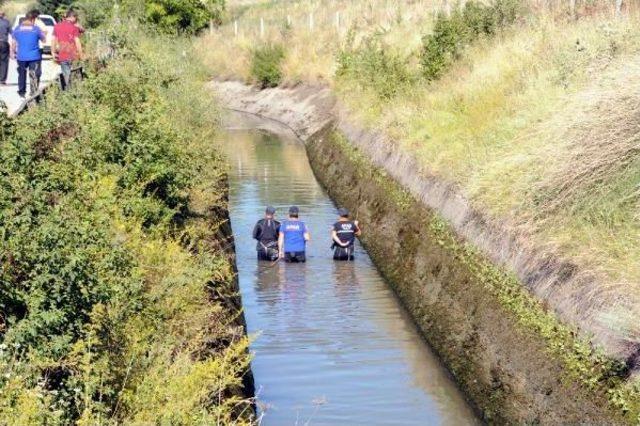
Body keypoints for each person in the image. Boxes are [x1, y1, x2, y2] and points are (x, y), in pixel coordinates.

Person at [10, 10, 44, 98]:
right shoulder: (36, 29)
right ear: (33, 19)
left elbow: (13, 42)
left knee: (21, 74)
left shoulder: (17, 28)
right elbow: (43, 40)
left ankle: (22, 92)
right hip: (34, 56)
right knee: (33, 74)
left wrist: (12, 53)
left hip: (21, 56)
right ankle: (33, 92)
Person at [52, 9, 83, 90]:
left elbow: (53, 41)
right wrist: (81, 54)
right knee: (74, 73)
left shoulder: (57, 26)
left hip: (62, 55)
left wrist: (53, 52)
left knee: (66, 74)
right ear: (72, 17)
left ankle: (68, 92)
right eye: (75, 18)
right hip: (73, 55)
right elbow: (77, 42)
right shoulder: (74, 27)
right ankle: (74, 91)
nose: (76, 20)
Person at [0, 11, 11, 85]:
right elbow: (12, 32)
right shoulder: (6, 22)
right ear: (3, 15)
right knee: (4, 61)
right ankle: (2, 80)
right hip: (3, 43)